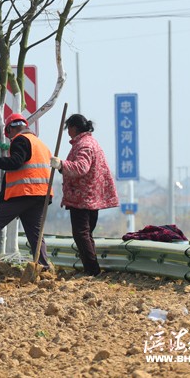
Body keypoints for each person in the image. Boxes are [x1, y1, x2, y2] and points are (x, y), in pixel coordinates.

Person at [0, 113, 52, 267]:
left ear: (12, 128)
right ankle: (44, 265)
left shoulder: (20, 140)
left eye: (8, 134)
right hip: (41, 194)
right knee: (35, 232)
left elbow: (15, 162)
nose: (10, 138)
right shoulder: (40, 144)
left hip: (25, 192)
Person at [50, 114, 119, 277]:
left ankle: (92, 270)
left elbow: (81, 167)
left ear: (73, 128)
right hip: (88, 196)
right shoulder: (88, 143)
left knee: (81, 234)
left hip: (83, 197)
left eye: (69, 129)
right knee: (86, 234)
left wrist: (61, 164)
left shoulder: (84, 145)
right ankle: (91, 267)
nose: (68, 133)